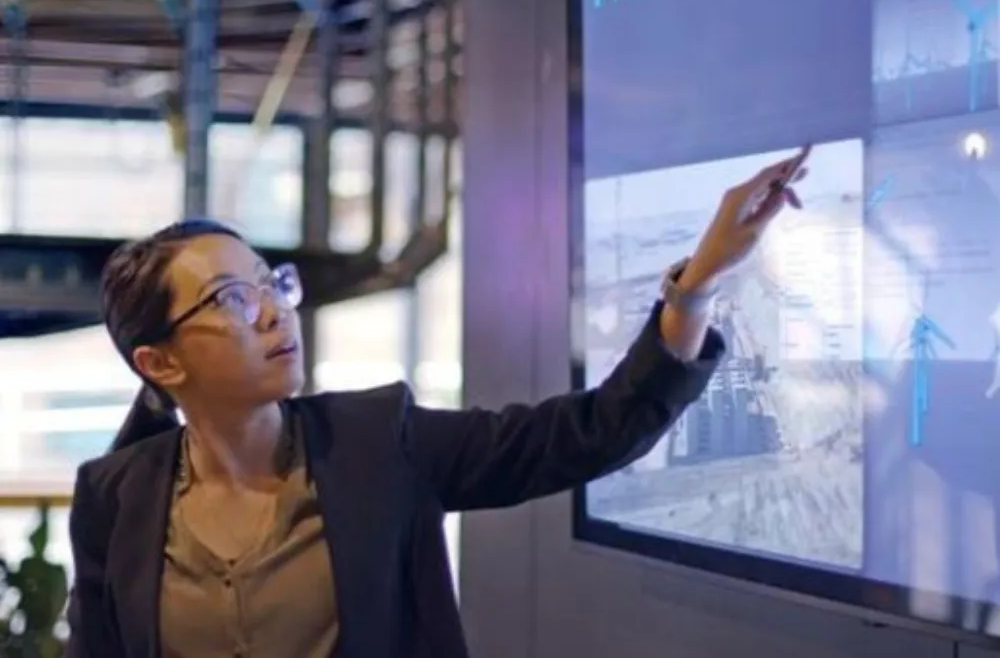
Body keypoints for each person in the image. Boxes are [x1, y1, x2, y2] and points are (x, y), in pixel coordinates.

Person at [66, 154, 807, 658]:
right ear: (159, 361)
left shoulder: (378, 443)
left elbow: (591, 431)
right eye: (233, 298)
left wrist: (698, 283)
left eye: (272, 283)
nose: (273, 313)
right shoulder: (115, 495)